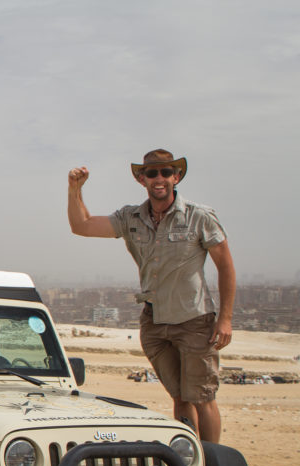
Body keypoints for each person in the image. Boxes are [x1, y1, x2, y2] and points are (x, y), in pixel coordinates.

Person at [67, 149, 236, 443]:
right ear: (141, 179)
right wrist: (75, 191)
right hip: (155, 322)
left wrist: (226, 319)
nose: (159, 178)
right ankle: (191, 463)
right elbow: (81, 226)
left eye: (165, 172)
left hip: (194, 320)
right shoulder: (131, 217)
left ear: (176, 176)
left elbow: (226, 266)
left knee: (203, 397)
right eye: (152, 173)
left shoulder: (199, 217)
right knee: (180, 397)